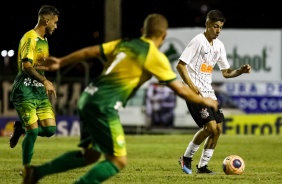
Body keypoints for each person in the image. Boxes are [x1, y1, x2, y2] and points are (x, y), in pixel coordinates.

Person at [22, 13, 218, 184]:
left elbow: (91, 51)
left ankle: (36, 173)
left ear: (143, 30)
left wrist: (62, 62)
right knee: (118, 160)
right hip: (104, 105)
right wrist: (205, 101)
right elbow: (181, 90)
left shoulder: (125, 43)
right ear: (164, 36)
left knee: (90, 155)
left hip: (88, 97)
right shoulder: (154, 56)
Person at [177, 9, 251, 174]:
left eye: (220, 27)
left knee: (217, 129)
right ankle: (186, 158)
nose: (218, 31)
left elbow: (226, 72)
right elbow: (180, 65)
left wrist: (240, 70)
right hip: (195, 92)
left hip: (209, 93)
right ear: (207, 24)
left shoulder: (219, 46)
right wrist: (191, 85)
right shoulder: (198, 41)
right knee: (210, 127)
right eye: (215, 26)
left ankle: (202, 166)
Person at [9, 4, 59, 173]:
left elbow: (38, 66)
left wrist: (47, 75)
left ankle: (20, 128)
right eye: (55, 22)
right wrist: (45, 81)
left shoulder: (44, 41)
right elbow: (26, 66)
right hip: (24, 91)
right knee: (33, 132)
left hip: (38, 91)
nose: (56, 26)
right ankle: (26, 168)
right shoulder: (29, 38)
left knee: (50, 129)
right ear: (46, 20)